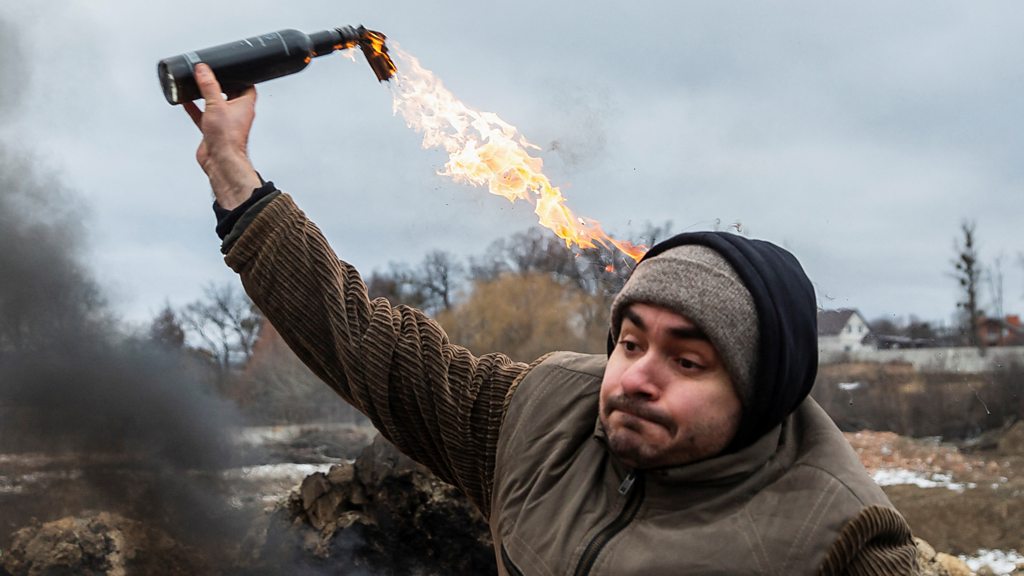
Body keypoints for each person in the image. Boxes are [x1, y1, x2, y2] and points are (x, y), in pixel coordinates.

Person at [183, 63, 919, 575]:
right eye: (630, 343)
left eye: (687, 360)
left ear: (761, 389)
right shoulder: (545, 416)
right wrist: (233, 174)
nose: (637, 378)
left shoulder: (844, 541)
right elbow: (370, 346)